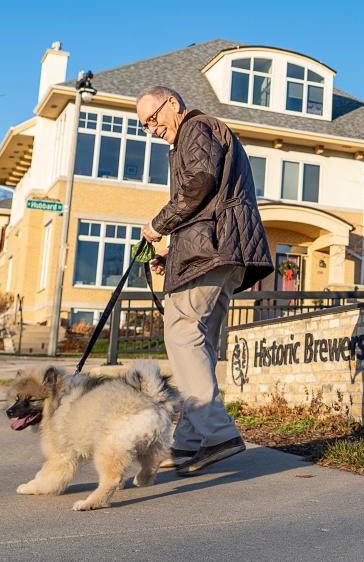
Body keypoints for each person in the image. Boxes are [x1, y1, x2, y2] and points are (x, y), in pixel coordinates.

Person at [136, 85, 273, 474]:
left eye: (152, 118)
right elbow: (205, 199)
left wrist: (157, 226)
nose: (150, 128)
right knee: (200, 345)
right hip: (218, 250)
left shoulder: (196, 127)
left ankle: (218, 433)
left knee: (181, 332)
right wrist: (169, 252)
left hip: (213, 250)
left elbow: (199, 183)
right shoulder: (197, 134)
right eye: (143, 125)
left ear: (173, 104)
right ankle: (189, 442)